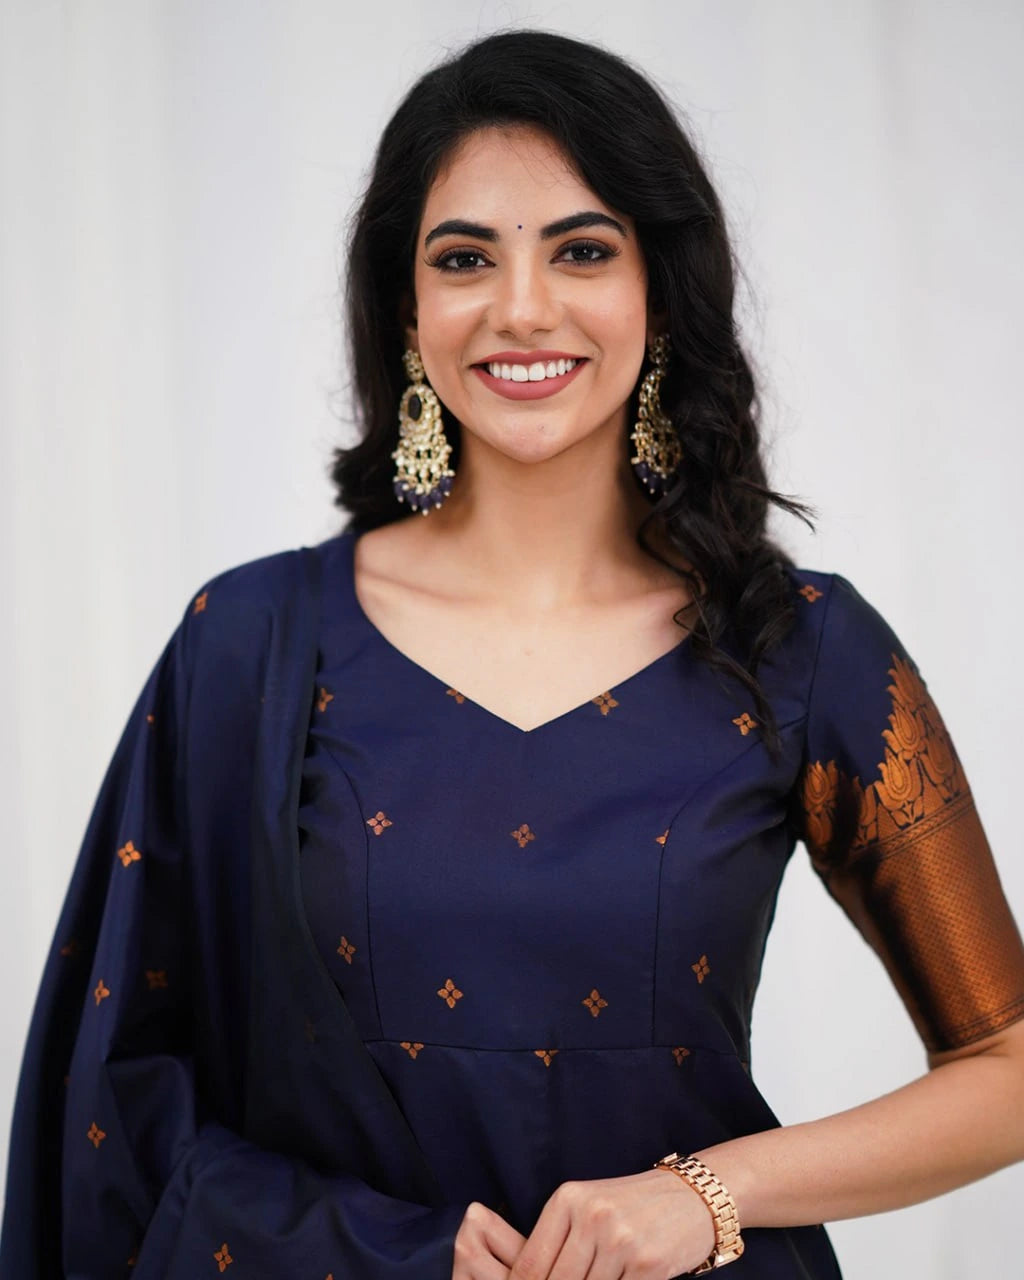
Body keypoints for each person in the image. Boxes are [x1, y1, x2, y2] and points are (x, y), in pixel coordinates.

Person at [3, 27, 1023, 1280]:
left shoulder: (799, 646)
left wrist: (704, 1193)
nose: (522, 307)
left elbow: (1006, 1068)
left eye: (582, 250)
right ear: (406, 306)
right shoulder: (249, 647)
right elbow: (112, 1107)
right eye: (464, 258)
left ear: (659, 289)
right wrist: (380, 1248)